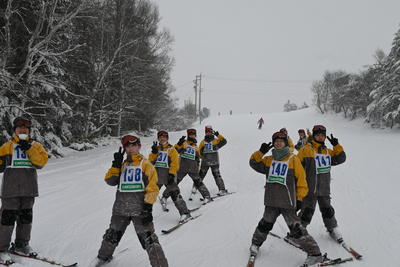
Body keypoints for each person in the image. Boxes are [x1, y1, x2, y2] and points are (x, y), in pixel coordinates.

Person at [248, 131, 323, 266]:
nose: (278, 143)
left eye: (281, 141)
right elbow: (253, 163)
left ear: (286, 143)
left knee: (297, 229)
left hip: (287, 202)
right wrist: (260, 152)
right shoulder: (268, 160)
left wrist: (300, 199)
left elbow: (302, 180)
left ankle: (315, 253)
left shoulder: (292, 159)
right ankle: (255, 244)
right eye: (276, 141)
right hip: (271, 201)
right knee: (265, 224)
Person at [91, 135, 168, 267]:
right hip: (120, 209)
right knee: (111, 235)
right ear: (124, 148)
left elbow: (153, 187)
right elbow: (110, 181)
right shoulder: (122, 165)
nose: (131, 148)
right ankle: (103, 258)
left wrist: (148, 207)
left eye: (134, 145)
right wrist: (115, 165)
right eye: (128, 146)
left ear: (139, 146)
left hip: (139, 210)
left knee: (149, 239)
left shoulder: (146, 164)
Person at [0, 117, 48, 264]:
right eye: (19, 128)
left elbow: (41, 162)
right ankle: (2, 249)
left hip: (29, 190)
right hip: (10, 191)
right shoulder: (7, 146)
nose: (22, 130)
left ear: (29, 131)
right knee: (7, 221)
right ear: (14, 130)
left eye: (25, 129)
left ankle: (21, 244)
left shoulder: (36, 146)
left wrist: (29, 149)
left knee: (25, 219)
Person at [297, 125, 346, 243]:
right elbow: (297, 168)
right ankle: (297, 231)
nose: (320, 137)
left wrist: (336, 145)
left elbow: (341, 158)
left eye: (323, 135)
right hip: (310, 189)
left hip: (324, 188)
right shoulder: (306, 150)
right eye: (318, 135)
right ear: (314, 136)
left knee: (327, 209)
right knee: (307, 211)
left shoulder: (327, 152)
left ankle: (332, 228)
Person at [149, 130, 191, 222]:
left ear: (167, 138)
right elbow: (150, 162)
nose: (162, 138)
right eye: (160, 137)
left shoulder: (172, 149)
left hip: (168, 177)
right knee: (150, 194)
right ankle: (144, 215)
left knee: (175, 194)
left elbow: (175, 163)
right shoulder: (157, 149)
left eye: (164, 137)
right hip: (157, 177)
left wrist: (172, 174)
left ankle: (185, 213)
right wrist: (154, 153)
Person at [162, 129, 212, 202]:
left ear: (195, 135)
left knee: (199, 183)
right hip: (182, 168)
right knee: (174, 183)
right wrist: (179, 143)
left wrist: (198, 167)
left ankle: (207, 197)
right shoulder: (184, 143)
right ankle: (164, 197)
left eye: (193, 134)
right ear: (188, 135)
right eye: (190, 134)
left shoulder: (196, 147)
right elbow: (175, 151)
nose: (192, 135)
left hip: (193, 169)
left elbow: (198, 159)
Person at [198, 126, 228, 195]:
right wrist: (201, 156)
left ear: (211, 132)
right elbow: (199, 152)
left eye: (209, 132)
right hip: (205, 162)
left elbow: (224, 141)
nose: (208, 133)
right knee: (200, 176)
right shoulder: (202, 142)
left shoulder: (215, 140)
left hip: (214, 162)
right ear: (205, 133)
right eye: (207, 132)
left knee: (217, 175)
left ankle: (222, 189)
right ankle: (195, 189)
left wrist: (217, 135)